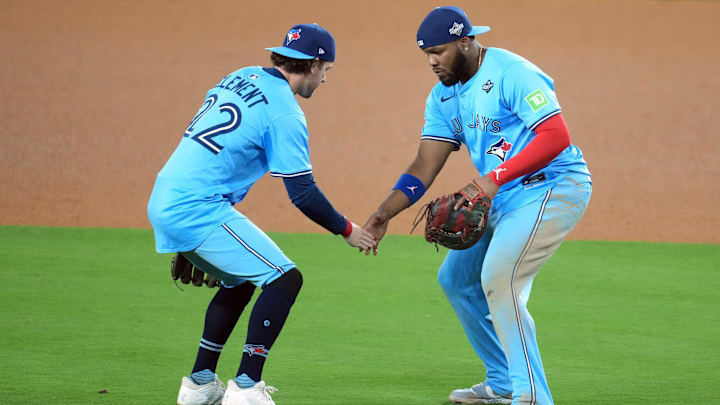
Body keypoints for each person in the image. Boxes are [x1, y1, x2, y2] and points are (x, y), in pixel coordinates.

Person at [363, 6, 592, 405]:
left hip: (552, 187)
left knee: (500, 279)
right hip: (502, 197)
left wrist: (491, 180)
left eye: (439, 51)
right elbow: (425, 163)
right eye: (426, 55)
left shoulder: (511, 73)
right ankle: (503, 381)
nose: (432, 62)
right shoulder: (444, 96)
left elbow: (556, 136)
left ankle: (532, 396)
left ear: (465, 41)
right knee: (456, 280)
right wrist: (385, 212)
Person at [148, 23, 375, 405]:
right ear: (314, 64)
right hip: (196, 208)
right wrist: (347, 229)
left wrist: (187, 241)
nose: (325, 80)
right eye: (327, 71)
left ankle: (200, 384)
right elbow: (302, 193)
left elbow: (212, 151)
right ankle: (247, 387)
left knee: (242, 279)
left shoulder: (240, 76)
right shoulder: (285, 112)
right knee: (285, 279)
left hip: (168, 197)